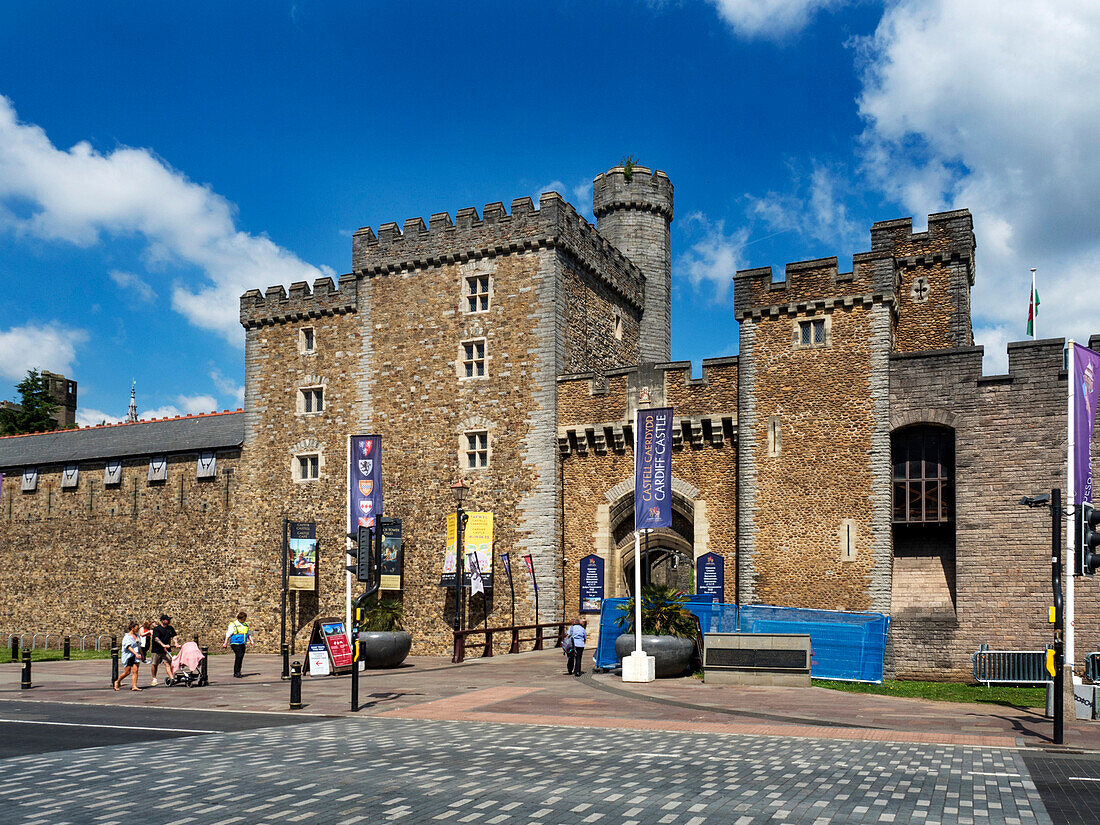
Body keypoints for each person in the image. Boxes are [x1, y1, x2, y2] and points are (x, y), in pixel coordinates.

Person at [114, 621, 144, 691]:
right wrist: (135, 653)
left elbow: (139, 646)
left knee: (135, 671)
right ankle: (117, 681)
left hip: (136, 656)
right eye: (136, 628)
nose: (137, 630)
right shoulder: (127, 637)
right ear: (132, 628)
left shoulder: (137, 636)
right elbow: (128, 647)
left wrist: (142, 654)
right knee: (127, 672)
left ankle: (134, 686)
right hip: (129, 656)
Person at [149, 614, 178, 686]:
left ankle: (171, 678)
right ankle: (154, 678)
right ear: (162, 621)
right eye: (167, 620)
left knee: (167, 663)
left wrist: (176, 643)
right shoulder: (157, 629)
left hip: (166, 650)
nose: (168, 621)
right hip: (157, 649)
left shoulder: (170, 628)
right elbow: (156, 638)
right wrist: (163, 645)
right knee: (155, 664)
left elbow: (174, 636)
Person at [223, 611, 252, 678]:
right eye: (243, 619)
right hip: (235, 643)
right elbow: (228, 634)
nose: (244, 620)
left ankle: (238, 671)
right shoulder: (233, 624)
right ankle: (237, 672)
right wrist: (225, 643)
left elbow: (248, 633)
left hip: (242, 643)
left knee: (240, 657)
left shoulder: (245, 625)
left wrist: (251, 641)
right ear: (240, 618)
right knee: (239, 655)